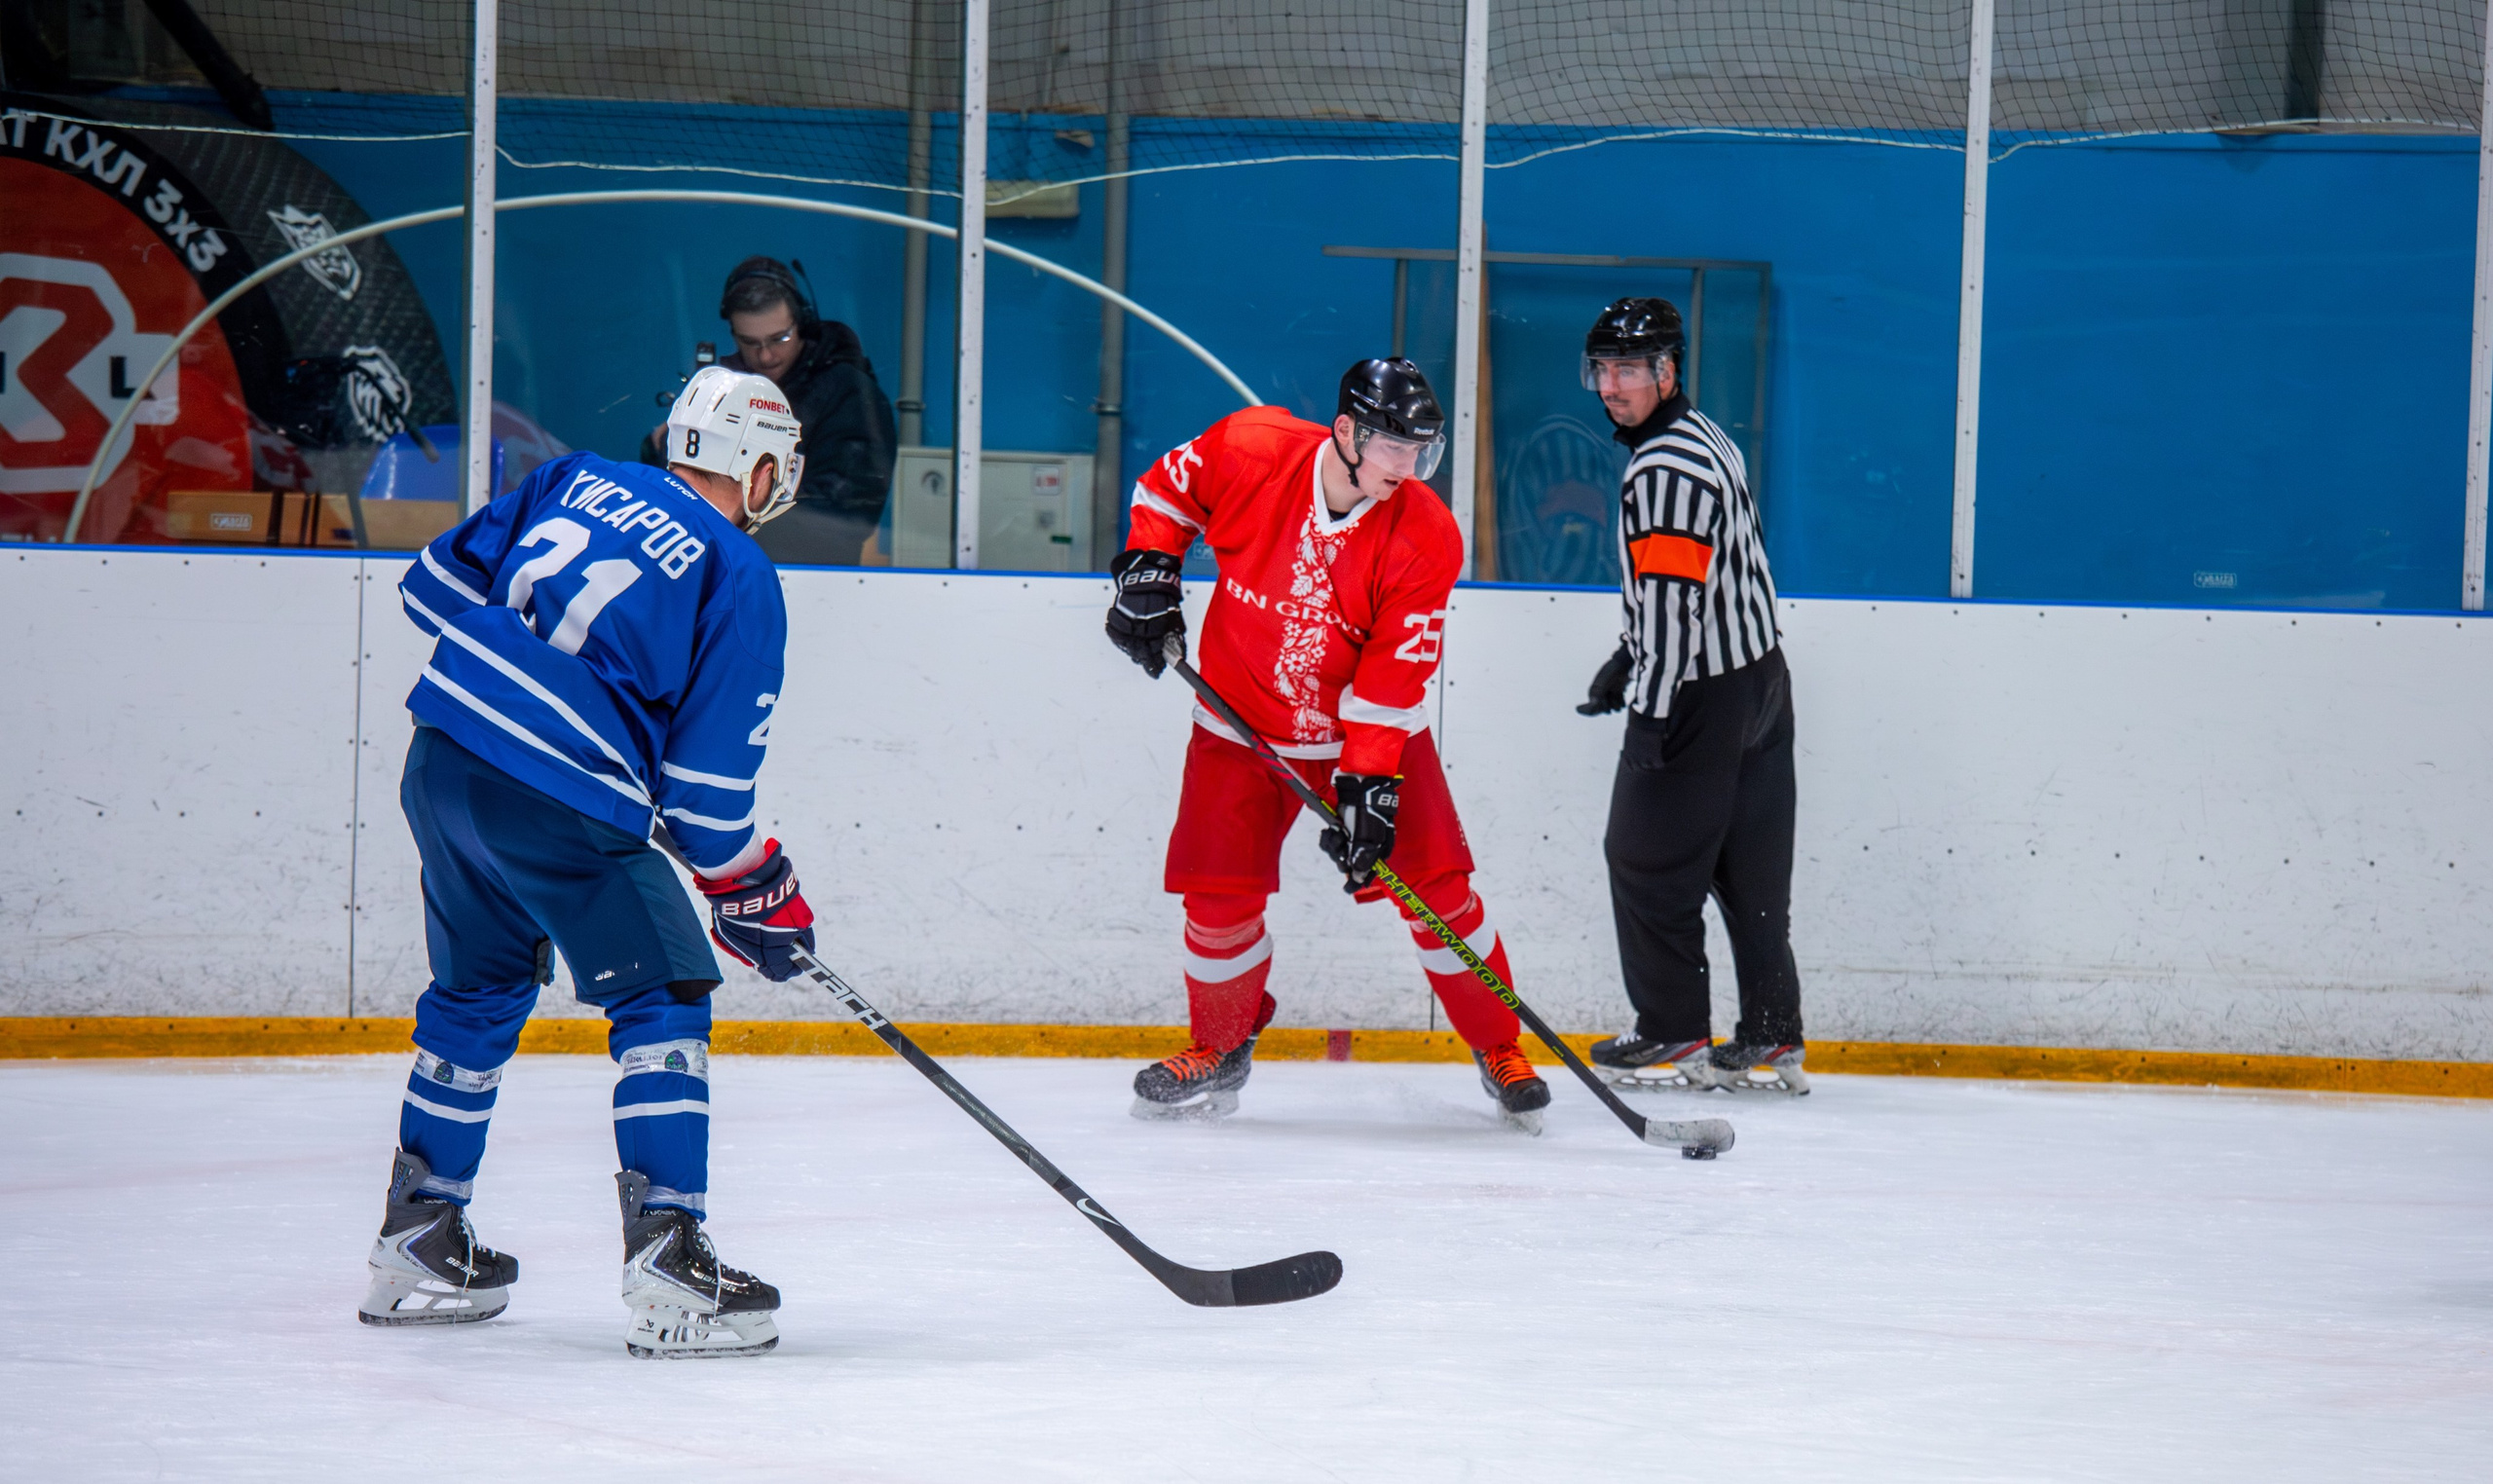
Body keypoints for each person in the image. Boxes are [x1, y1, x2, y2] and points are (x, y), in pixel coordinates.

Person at [363, 366, 823, 1355]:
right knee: (661, 992)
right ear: (753, 466)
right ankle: (669, 1248)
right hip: (556, 794)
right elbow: (704, 800)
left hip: (442, 758)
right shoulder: (737, 571)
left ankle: (419, 1230)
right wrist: (757, 888)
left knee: (479, 988)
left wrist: (534, 687)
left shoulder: (570, 476)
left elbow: (430, 591)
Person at [1102, 358, 1554, 1132]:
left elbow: (1389, 681)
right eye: (1392, 448)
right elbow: (1169, 489)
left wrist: (1369, 788)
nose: (1407, 469)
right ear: (1345, 432)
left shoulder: (1425, 536)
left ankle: (1498, 1043)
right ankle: (1218, 1045)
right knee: (1217, 900)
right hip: (1238, 723)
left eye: (1421, 452)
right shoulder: (1253, 448)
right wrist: (1150, 570)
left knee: (1437, 892)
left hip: (1365, 731)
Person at [1573, 297, 1807, 1095]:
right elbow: (1714, 576)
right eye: (1600, 369)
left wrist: (1649, 706)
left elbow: (1675, 605)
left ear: (1667, 372)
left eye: (1629, 369)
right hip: (1760, 679)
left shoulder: (1662, 468)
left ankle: (1672, 1032)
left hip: (1701, 691)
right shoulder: (1706, 435)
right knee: (1749, 870)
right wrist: (1626, 650)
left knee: (1642, 857)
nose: (1611, 385)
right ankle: (1773, 1034)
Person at [641, 255, 897, 566]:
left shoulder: (850, 395)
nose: (766, 355)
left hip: (816, 578)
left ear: (802, 322)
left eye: (780, 338)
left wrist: (730, 508)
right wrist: (662, 450)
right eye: (750, 342)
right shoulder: (722, 391)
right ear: (733, 335)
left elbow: (844, 516)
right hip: (720, 570)